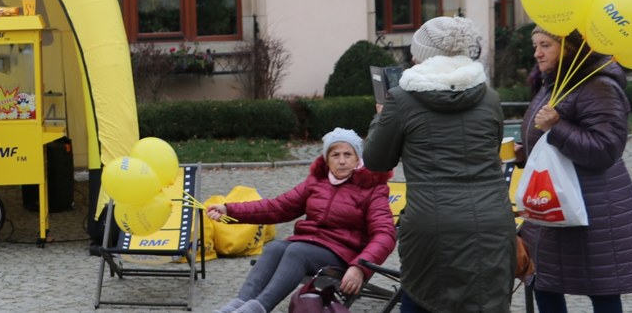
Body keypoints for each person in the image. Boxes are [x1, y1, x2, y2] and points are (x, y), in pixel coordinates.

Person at [362, 15, 516, 313]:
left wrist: (381, 115)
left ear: (422, 57)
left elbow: (376, 161)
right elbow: (491, 150)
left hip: (431, 226)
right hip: (491, 223)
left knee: (425, 301)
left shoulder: (401, 99)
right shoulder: (490, 98)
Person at [520, 28, 632, 313]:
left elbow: (605, 149)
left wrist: (557, 126)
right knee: (544, 282)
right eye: (535, 45)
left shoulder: (599, 87)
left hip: (593, 206)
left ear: (571, 49)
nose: (537, 53)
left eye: (545, 45)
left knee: (601, 288)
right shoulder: (554, 83)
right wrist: (521, 151)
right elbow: (544, 135)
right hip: (554, 199)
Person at [205, 128, 396, 313]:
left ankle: (256, 309)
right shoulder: (316, 182)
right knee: (274, 248)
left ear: (357, 159)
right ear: (326, 160)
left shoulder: (373, 189)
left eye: (348, 154)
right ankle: (235, 306)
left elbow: (385, 234)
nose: (342, 161)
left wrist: (360, 267)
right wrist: (229, 210)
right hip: (309, 243)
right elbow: (278, 207)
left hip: (343, 253)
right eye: (335, 155)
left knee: (297, 251)